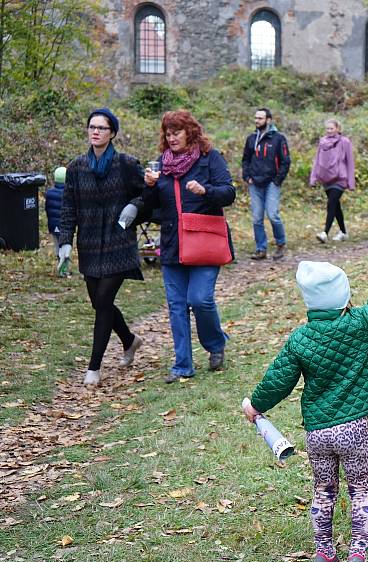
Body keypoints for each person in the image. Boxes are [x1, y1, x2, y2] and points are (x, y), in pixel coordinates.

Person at [241, 239, 368, 562]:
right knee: (360, 489)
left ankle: (323, 553)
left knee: (324, 490)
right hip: (353, 430)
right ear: (343, 297)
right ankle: (357, 555)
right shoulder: (360, 324)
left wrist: (255, 406)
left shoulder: (301, 339)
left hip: (318, 432)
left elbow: (278, 380)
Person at [143, 110, 235, 384]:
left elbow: (229, 192)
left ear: (190, 132)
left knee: (200, 299)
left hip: (204, 241)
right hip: (172, 244)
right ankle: (183, 364)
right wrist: (148, 187)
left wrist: (206, 190)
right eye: (168, 134)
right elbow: (152, 208)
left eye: (177, 133)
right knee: (176, 306)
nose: (171, 138)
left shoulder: (209, 159)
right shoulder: (162, 164)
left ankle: (216, 343)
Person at [57, 108, 145, 386]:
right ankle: (130, 340)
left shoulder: (127, 164)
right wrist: (65, 243)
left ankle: (94, 368)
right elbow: (68, 208)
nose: (95, 131)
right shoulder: (76, 168)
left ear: (112, 133)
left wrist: (135, 205)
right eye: (92, 127)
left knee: (104, 301)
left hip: (119, 244)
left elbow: (149, 193)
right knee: (99, 303)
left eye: (102, 128)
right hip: (90, 245)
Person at [242, 108, 290, 260]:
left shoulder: (278, 138)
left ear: (268, 120)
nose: (257, 121)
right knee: (257, 218)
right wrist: (247, 176)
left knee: (273, 215)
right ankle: (261, 249)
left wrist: (277, 181)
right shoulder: (251, 139)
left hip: (271, 183)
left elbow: (285, 161)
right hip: (254, 183)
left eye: (260, 118)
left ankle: (280, 244)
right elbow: (245, 159)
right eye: (256, 118)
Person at [310, 118, 355, 243]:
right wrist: (313, 178)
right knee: (335, 206)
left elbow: (350, 162)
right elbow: (317, 161)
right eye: (327, 128)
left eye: (332, 128)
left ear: (338, 129)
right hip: (326, 178)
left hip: (340, 178)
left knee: (331, 204)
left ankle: (325, 233)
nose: (329, 131)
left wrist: (351, 182)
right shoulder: (322, 142)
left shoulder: (345, 142)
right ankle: (343, 232)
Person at [45, 166, 66, 252]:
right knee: (65, 246)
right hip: (65, 226)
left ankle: (59, 259)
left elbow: (47, 209)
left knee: (57, 244)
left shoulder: (49, 193)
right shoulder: (69, 193)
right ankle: (63, 264)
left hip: (53, 224)